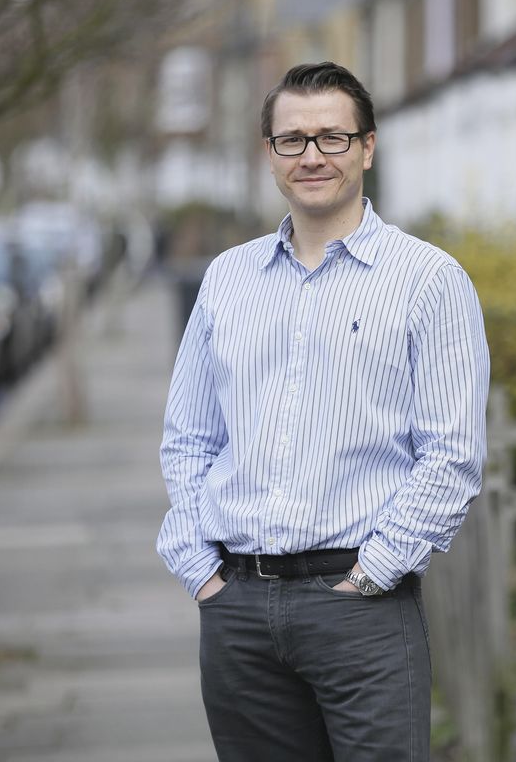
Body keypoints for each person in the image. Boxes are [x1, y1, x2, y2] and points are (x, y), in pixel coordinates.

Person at [157, 61, 490, 762]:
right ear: (270, 154)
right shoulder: (227, 279)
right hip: (237, 609)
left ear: (368, 147)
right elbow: (189, 437)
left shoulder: (428, 280)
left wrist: (374, 572)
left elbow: (452, 454)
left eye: (332, 138)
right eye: (292, 140)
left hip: (362, 610)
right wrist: (201, 572)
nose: (312, 156)